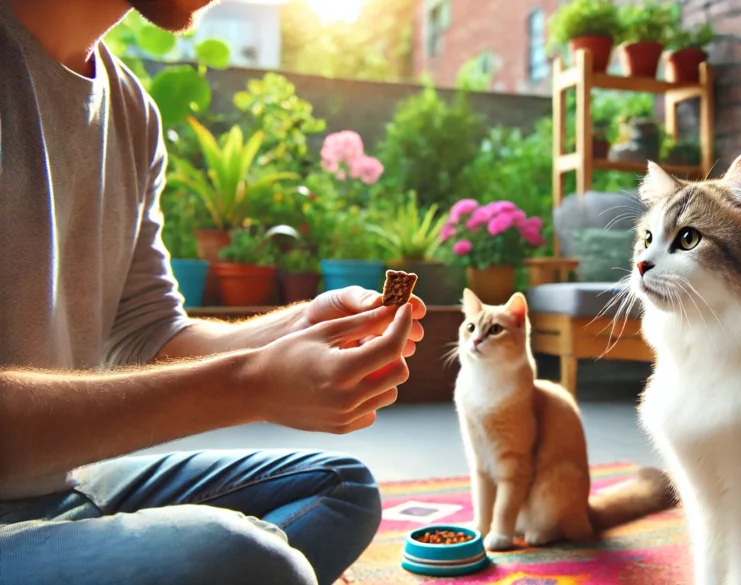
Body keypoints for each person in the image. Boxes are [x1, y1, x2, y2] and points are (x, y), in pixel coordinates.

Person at [0, 1, 426, 583]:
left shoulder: (130, 110)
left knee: (343, 488)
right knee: (245, 558)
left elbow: (146, 334)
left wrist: (298, 326)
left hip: (63, 485)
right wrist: (250, 384)